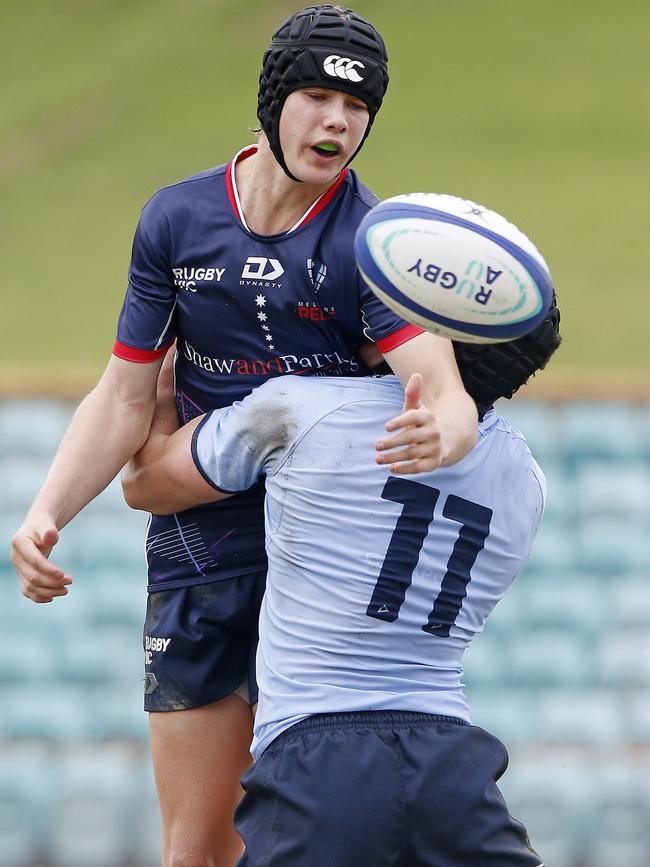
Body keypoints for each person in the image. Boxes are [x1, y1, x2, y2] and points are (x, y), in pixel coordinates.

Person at [10, 5, 478, 865]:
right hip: (194, 553)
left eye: (358, 106)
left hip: (315, 570)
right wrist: (47, 511)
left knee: (301, 844)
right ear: (272, 100)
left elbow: (447, 393)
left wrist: (438, 431)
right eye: (315, 95)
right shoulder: (176, 219)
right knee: (195, 851)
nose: (337, 121)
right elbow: (123, 394)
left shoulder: (377, 245)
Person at [122, 301, 561, 866]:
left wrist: (161, 378)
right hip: (453, 760)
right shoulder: (527, 478)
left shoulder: (303, 409)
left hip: (318, 759)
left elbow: (147, 484)